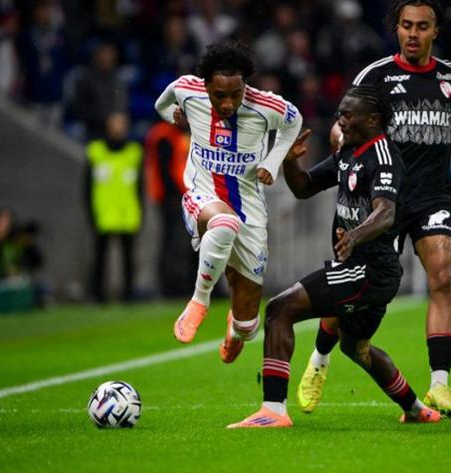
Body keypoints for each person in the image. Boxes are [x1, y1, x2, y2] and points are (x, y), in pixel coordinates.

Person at [297, 0, 451, 418]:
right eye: (406, 25)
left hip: (430, 196)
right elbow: (344, 118)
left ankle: (440, 384)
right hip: (376, 200)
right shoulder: (376, 76)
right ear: (397, 29)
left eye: (422, 26)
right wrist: (336, 134)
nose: (413, 33)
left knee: (442, 271)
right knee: (346, 298)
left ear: (435, 30)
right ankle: (320, 359)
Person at [229, 86, 440, 428]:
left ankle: (273, 411)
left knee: (280, 309)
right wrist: (290, 161)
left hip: (369, 270)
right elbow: (305, 188)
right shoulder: (349, 152)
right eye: (340, 111)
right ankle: (417, 410)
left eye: (347, 113)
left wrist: (354, 236)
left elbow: (385, 212)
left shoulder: (383, 156)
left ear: (373, 120)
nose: (339, 118)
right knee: (355, 347)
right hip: (365, 270)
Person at [153, 40, 303, 363]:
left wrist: (274, 160)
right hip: (202, 194)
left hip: (250, 208)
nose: (227, 103)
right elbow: (161, 104)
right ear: (205, 84)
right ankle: (199, 301)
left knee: (250, 324)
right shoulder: (187, 90)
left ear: (244, 84)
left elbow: (295, 120)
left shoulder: (265, 106)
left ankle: (236, 331)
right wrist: (172, 116)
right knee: (224, 223)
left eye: (235, 94)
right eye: (219, 95)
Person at [84, 112, 143, 303]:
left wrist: (141, 211)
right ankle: (96, 295)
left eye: (122, 125)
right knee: (100, 257)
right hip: (103, 213)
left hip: (128, 213)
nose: (119, 129)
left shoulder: (134, 151)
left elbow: (140, 187)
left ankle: (129, 294)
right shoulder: (95, 151)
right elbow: (86, 186)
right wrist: (90, 213)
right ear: (108, 127)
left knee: (129, 258)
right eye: (115, 125)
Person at [143, 117, 194, 297]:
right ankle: (172, 286)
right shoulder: (164, 135)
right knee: (175, 242)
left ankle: (184, 284)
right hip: (172, 197)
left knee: (184, 241)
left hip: (183, 195)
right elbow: (167, 171)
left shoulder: (178, 134)